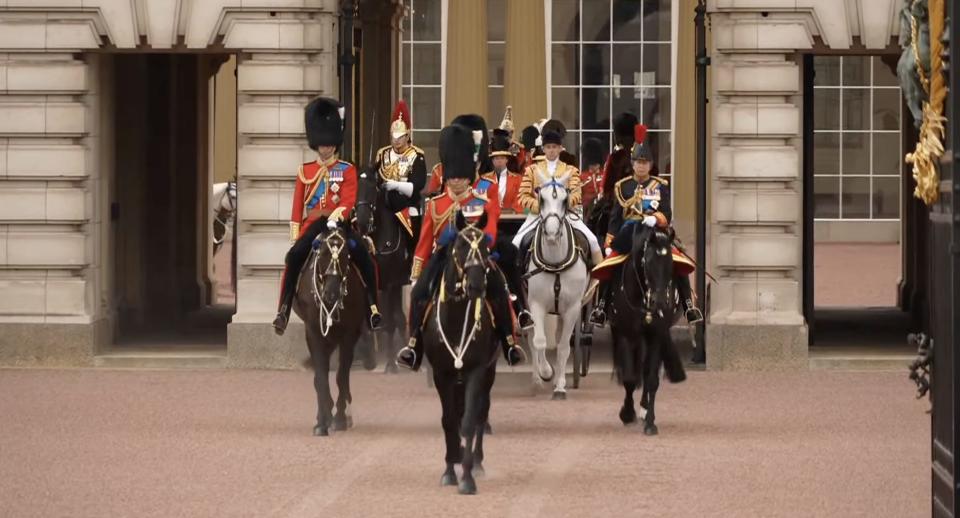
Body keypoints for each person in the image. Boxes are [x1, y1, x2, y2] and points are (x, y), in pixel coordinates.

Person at [395, 122, 526, 371]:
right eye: (452, 177)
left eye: (461, 177)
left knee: (499, 289)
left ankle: (509, 343)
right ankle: (413, 345)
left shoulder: (482, 201)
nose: (456, 182)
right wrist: (416, 274)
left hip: (475, 253)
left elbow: (490, 231)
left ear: (469, 176)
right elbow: (424, 244)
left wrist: (478, 242)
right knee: (420, 294)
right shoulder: (435, 205)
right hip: (444, 257)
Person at [273, 97, 382, 335]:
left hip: (339, 224)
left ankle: (373, 307)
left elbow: (349, 199)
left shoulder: (347, 169)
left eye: (330, 143)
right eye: (322, 144)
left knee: (364, 257)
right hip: (313, 224)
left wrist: (338, 216)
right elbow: (296, 207)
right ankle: (283, 309)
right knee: (293, 259)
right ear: (316, 143)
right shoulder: (305, 171)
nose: (326, 148)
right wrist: (295, 235)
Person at [590, 124, 703, 326]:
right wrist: (609, 242)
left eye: (645, 162)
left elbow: (667, 212)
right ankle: (602, 307)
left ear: (650, 165)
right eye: (638, 162)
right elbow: (616, 216)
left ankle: (688, 306)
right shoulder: (623, 186)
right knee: (611, 263)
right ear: (632, 164)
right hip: (629, 230)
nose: (641, 166)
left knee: (676, 257)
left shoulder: (660, 186)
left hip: (654, 229)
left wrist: (657, 218)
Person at [511, 129, 605, 271]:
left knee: (592, 240)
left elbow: (576, 194)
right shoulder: (532, 170)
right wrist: (541, 207)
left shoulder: (571, 170)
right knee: (516, 243)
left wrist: (561, 205)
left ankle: (598, 279)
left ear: (560, 148)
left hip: (566, 214)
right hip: (538, 215)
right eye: (548, 147)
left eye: (555, 147)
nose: (551, 151)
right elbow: (523, 196)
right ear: (543, 149)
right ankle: (517, 279)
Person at [371, 99, 427, 249]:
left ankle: (413, 258)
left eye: (400, 136)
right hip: (383, 202)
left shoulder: (417, 155)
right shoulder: (382, 154)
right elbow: (374, 177)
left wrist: (396, 185)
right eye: (394, 136)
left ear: (407, 135)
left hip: (405, 205)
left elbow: (418, 185)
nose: (396, 140)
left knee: (413, 230)